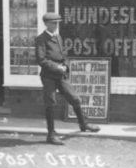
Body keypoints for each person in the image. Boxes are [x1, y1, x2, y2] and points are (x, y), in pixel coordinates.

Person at [35, 12, 100, 145]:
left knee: (74, 97)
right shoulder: (40, 39)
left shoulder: (58, 37)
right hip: (49, 76)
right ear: (46, 24)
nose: (56, 25)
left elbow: (64, 54)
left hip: (61, 75)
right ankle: (51, 134)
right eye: (53, 23)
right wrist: (57, 67)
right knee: (51, 103)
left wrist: (65, 66)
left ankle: (83, 124)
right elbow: (41, 59)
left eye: (57, 23)